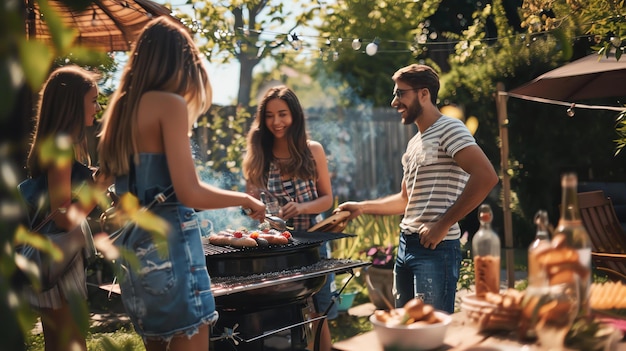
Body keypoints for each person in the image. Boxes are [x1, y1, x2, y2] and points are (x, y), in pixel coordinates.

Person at [97, 17, 265, 351]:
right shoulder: (167, 104)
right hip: (171, 255)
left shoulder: (120, 110)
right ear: (179, 61)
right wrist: (246, 199)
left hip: (136, 255)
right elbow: (190, 191)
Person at [336, 64, 498, 313]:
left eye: (401, 93)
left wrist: (442, 224)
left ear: (424, 94)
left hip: (436, 250)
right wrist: (362, 207)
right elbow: (405, 200)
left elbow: (486, 176)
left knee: (429, 331)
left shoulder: (450, 128)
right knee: (406, 327)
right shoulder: (414, 143)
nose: (394, 102)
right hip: (405, 246)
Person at [242, 85, 335, 351]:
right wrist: (252, 210)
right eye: (269, 116)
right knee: (282, 313)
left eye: (282, 114)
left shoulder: (312, 150)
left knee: (318, 308)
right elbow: (249, 205)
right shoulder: (258, 154)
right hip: (274, 248)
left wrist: (302, 207)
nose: (276, 122)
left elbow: (327, 199)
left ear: (294, 115)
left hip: (312, 243)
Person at [23, 64, 109, 351]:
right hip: (56, 259)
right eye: (93, 100)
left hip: (52, 257)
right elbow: (63, 218)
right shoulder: (60, 147)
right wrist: (101, 184)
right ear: (73, 104)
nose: (97, 107)